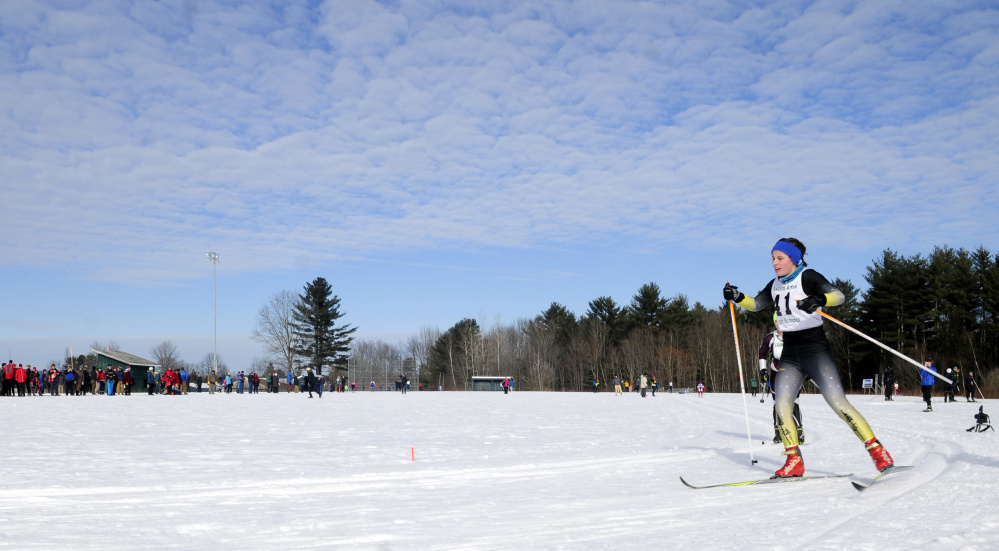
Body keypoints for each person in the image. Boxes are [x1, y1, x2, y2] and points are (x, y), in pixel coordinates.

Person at [725, 237, 894, 478]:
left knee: (838, 402)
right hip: (790, 353)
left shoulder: (809, 276)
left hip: (814, 349)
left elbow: (839, 296)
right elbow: (756, 305)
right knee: (782, 405)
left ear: (793, 259)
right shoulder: (774, 285)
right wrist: (738, 296)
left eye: (780, 258)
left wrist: (820, 299)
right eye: (772, 258)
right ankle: (794, 461)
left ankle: (878, 453)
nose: (774, 263)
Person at [758, 313, 804, 444]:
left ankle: (799, 432)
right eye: (777, 321)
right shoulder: (769, 338)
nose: (780, 324)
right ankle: (778, 432)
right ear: (774, 322)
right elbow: (762, 354)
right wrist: (762, 370)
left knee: (794, 402)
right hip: (776, 373)